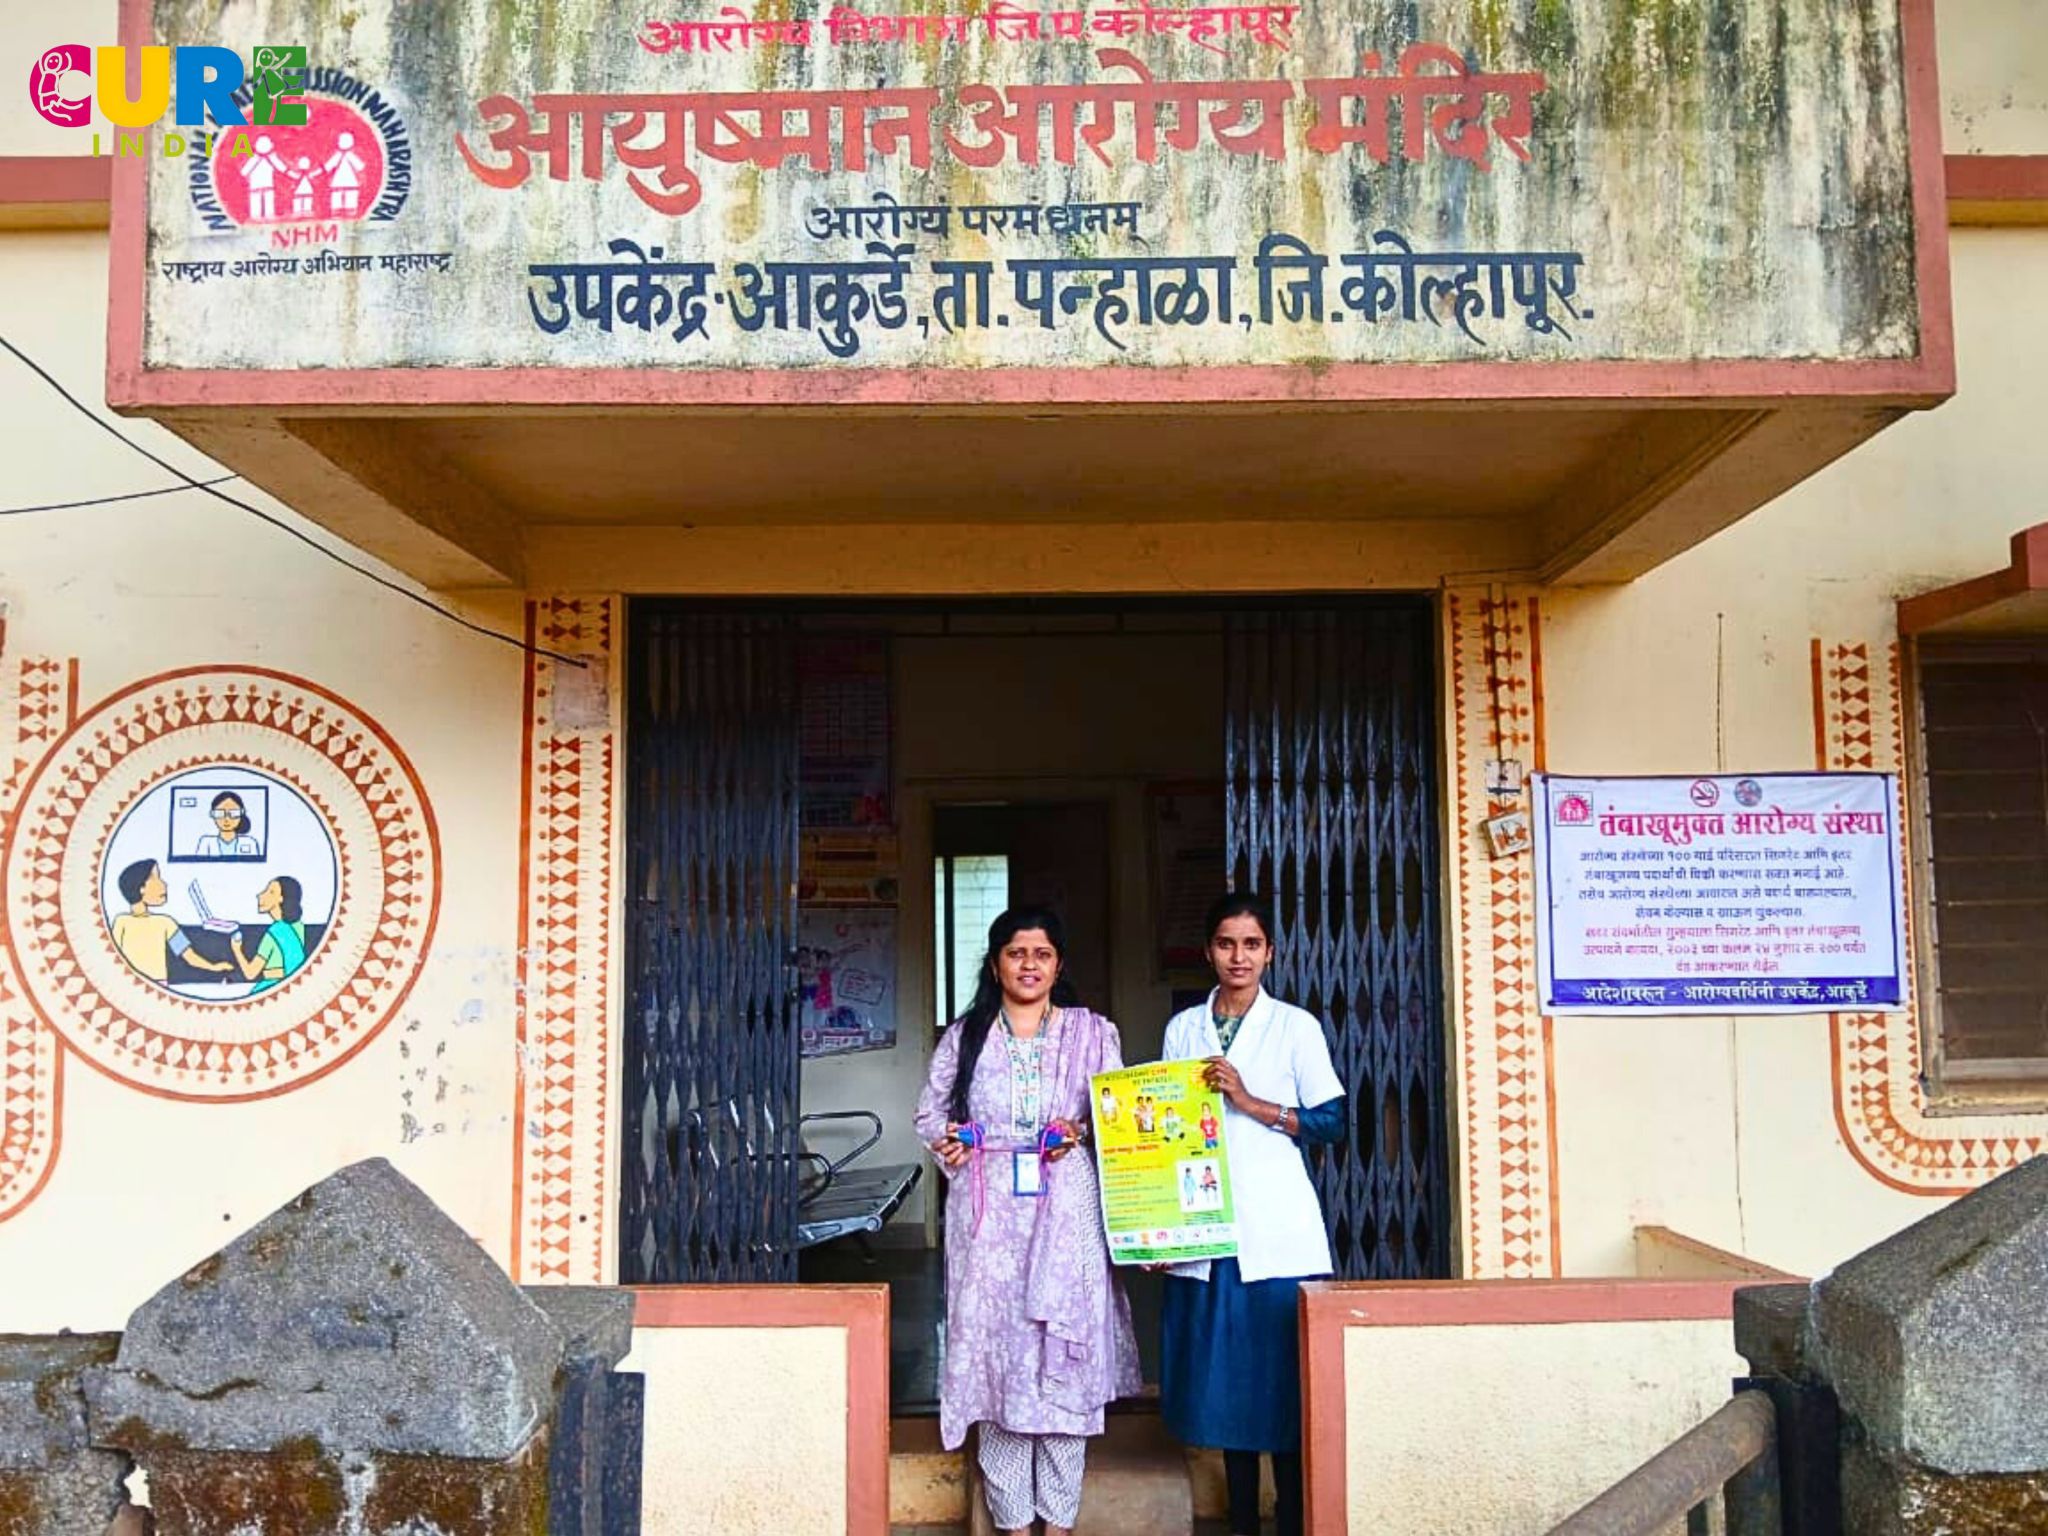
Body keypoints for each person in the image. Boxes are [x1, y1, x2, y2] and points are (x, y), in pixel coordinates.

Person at [915, 906, 1141, 1536]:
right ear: (995, 965)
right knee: (1001, 1361)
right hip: (989, 1221)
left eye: (1041, 954)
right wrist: (950, 1142)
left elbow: (1121, 1115)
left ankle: (1059, 1523)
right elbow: (929, 1115)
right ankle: (1014, 1523)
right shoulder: (965, 1037)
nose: (1029, 966)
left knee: (1062, 1354)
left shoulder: (1093, 1033)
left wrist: (1080, 1131)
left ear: (1058, 965)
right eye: (1016, 954)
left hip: (1066, 1211)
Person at [1160, 891, 1346, 1536]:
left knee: (1281, 1384)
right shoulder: (1183, 1028)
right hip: (1207, 1226)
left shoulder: (1295, 1027)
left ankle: (1290, 1517)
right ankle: (1242, 1519)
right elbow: (1166, 1131)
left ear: (1269, 952)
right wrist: (1156, 1224)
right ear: (1208, 950)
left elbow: (1330, 1122)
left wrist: (1249, 1101)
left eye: (1251, 944)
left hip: (1277, 1228)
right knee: (1229, 1390)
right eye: (1225, 943)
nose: (1238, 957)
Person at [109, 859, 233, 984]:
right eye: (156, 878)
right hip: (127, 983)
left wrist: (213, 967)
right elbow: (112, 957)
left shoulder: (166, 923)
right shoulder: (121, 922)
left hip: (158, 985)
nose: (164, 884)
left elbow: (189, 956)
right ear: (141, 888)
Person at [230, 876, 308, 994]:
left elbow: (250, 973)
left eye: (270, 892)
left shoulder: (274, 933)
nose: (260, 896)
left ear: (281, 899)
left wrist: (236, 949)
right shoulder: (299, 926)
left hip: (273, 988)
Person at [194, 791, 260, 858]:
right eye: (220, 813)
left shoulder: (250, 843)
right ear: (212, 814)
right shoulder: (206, 843)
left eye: (233, 813)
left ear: (241, 814)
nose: (226, 819)